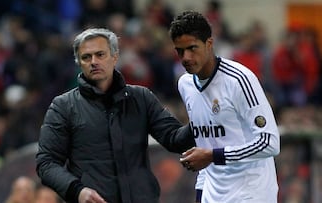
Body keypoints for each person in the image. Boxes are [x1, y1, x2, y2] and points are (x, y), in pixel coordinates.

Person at [35, 28, 195, 203]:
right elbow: (47, 163)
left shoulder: (141, 98)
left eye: (100, 54)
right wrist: (77, 191)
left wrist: (201, 121)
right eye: (86, 57)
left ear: (115, 57)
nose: (93, 61)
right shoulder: (63, 106)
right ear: (78, 62)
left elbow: (174, 138)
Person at [168, 11, 280, 203]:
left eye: (192, 48)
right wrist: (200, 195)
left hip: (252, 193)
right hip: (214, 196)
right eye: (180, 51)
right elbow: (204, 145)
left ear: (209, 44)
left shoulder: (239, 80)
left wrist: (213, 156)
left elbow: (269, 143)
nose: (185, 57)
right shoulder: (185, 84)